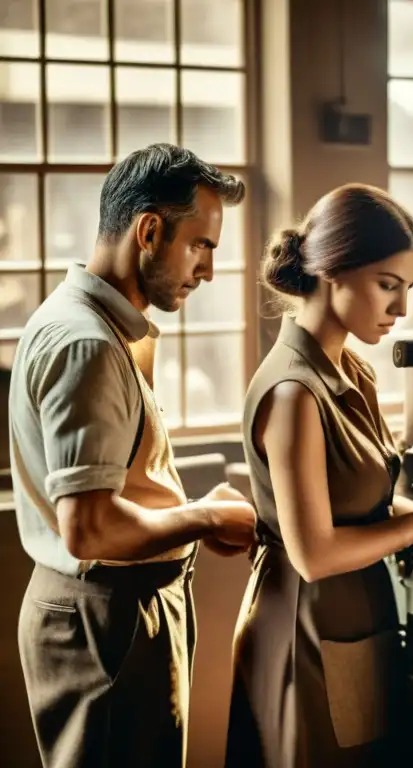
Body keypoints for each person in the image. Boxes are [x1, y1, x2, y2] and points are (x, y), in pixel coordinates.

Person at [224, 183, 413, 767]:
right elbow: (315, 553)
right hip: (307, 625)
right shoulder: (295, 392)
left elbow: (369, 505)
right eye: (388, 286)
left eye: (405, 288)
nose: (401, 310)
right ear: (333, 271)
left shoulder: (349, 369)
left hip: (356, 617)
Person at [8, 143, 259, 768]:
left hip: (114, 613)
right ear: (149, 230)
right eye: (200, 245)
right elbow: (90, 528)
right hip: (108, 621)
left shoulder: (89, 323)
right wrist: (203, 518)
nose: (206, 270)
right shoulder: (87, 343)